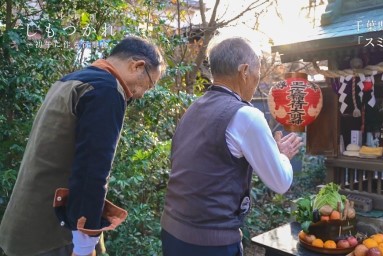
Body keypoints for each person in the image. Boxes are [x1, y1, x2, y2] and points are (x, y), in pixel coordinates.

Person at [0, 36, 164, 256]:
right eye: (149, 85)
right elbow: (93, 171)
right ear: (137, 66)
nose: (141, 94)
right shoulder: (106, 90)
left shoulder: (71, 80)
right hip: (53, 235)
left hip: (24, 223)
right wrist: (85, 245)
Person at [160, 37, 303, 256]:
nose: (256, 81)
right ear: (244, 71)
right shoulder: (246, 115)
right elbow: (280, 182)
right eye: (257, 72)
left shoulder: (194, 108)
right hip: (210, 243)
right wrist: (282, 154)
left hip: (172, 231)